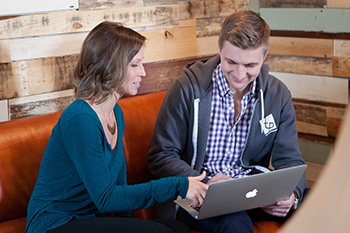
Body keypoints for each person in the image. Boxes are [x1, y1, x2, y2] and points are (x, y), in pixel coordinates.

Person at [25, 21, 208, 233]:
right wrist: (179, 185)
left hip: (90, 218)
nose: (143, 73)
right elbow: (106, 198)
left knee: (178, 228)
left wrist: (133, 225)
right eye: (135, 64)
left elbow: (119, 187)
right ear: (111, 66)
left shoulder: (115, 113)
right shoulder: (80, 120)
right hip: (56, 223)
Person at [147, 10, 307, 233]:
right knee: (234, 222)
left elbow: (290, 160)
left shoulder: (277, 95)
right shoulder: (187, 88)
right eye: (231, 62)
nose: (240, 74)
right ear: (219, 48)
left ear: (265, 55)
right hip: (198, 195)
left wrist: (292, 195)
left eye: (250, 65)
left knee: (320, 200)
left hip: (252, 193)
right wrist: (200, 181)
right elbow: (160, 156)